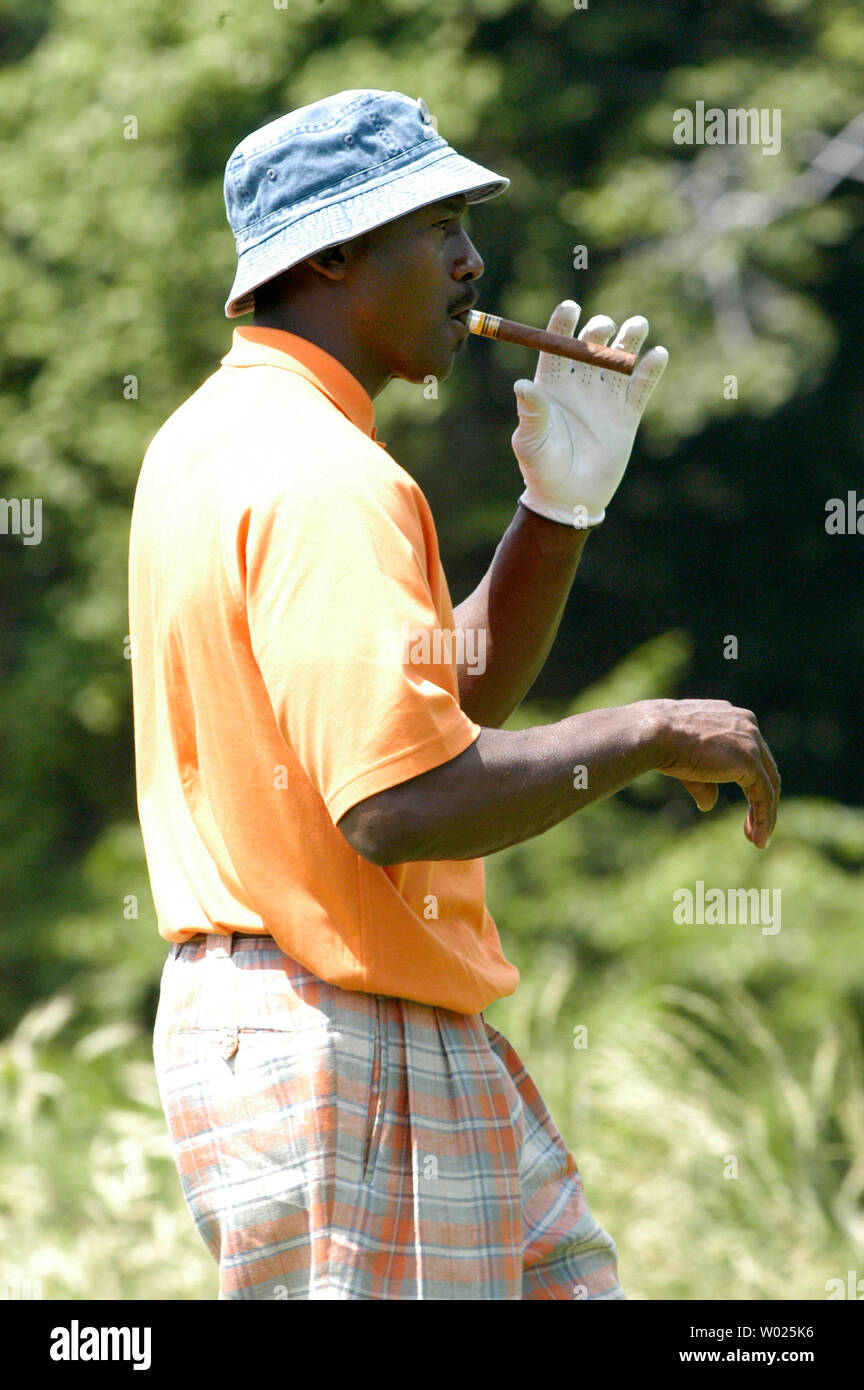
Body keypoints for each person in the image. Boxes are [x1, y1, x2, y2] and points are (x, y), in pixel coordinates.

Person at [128, 88, 780, 1301]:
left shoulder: (214, 437)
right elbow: (399, 802)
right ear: (331, 253)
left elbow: (438, 696)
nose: (474, 261)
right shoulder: (326, 475)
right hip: (342, 1036)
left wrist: (559, 508)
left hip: (337, 1027)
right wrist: (647, 733)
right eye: (440, 227)